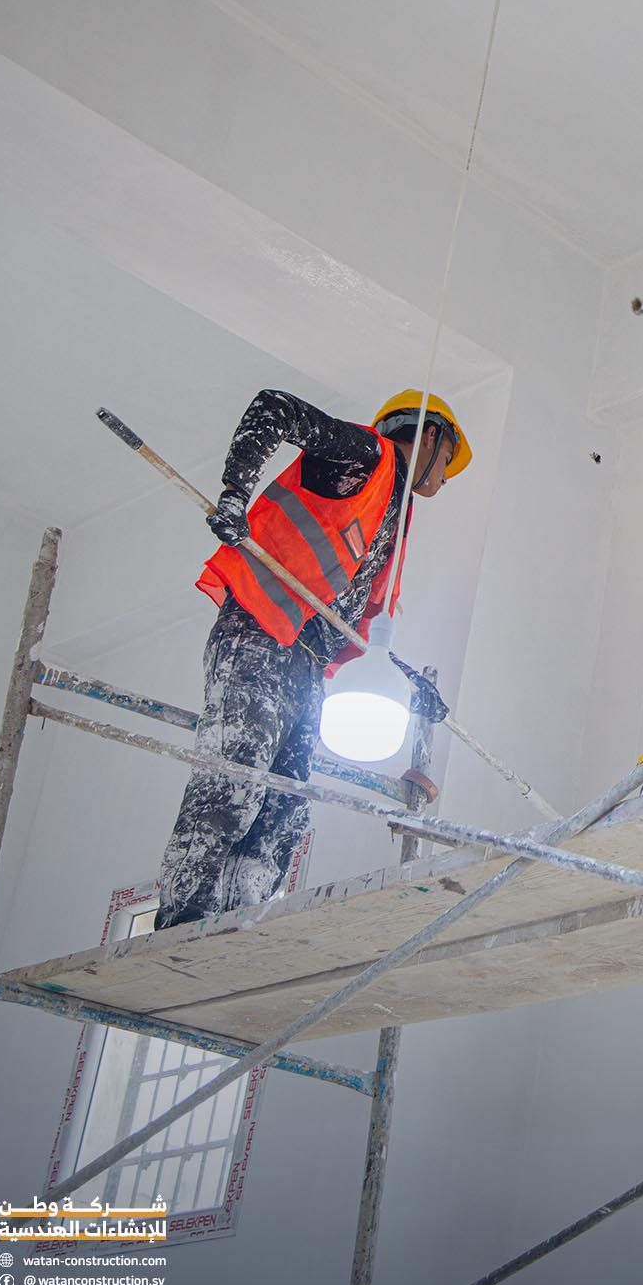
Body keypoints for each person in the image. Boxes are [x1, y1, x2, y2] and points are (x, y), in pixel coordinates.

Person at [154, 388, 468, 929]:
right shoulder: (366, 456)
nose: (442, 479)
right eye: (446, 462)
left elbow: (359, 630)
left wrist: (407, 680)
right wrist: (235, 494)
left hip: (304, 663)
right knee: (233, 785)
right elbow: (273, 407)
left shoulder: (390, 517)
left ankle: (237, 932)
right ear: (432, 435)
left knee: (282, 814)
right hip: (256, 630)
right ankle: (180, 929)